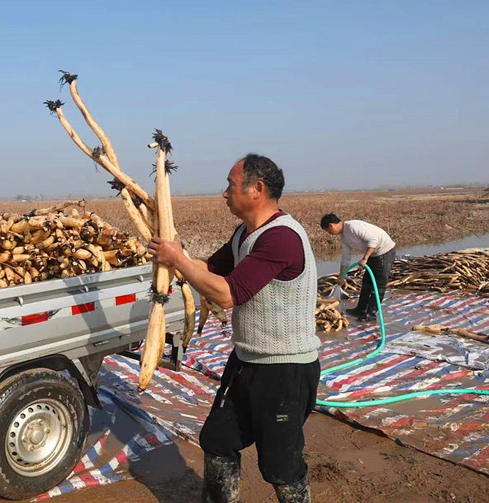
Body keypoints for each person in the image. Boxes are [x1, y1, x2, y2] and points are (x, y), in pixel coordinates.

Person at [148, 154, 319, 503]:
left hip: (284, 368)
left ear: (256, 189)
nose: (224, 194)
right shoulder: (244, 234)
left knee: (280, 466)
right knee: (217, 441)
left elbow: (226, 295)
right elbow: (210, 269)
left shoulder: (282, 238)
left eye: (229, 184)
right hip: (245, 361)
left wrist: (178, 260)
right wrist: (172, 253)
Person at [319, 214, 396, 322]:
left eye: (328, 231)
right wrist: (341, 276)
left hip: (385, 251)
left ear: (331, 225)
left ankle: (371, 314)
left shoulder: (353, 227)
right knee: (367, 282)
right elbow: (346, 257)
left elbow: (373, 240)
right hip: (373, 253)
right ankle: (360, 309)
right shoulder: (344, 237)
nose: (330, 234)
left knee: (378, 284)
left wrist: (365, 258)